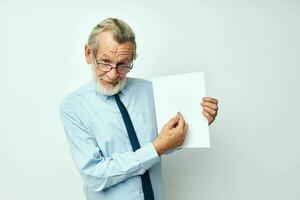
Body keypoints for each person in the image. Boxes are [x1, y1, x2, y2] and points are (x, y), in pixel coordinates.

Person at [59, 18, 219, 200]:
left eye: (123, 64)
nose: (113, 74)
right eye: (105, 62)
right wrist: (155, 148)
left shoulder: (148, 90)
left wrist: (198, 121)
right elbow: (95, 175)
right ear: (89, 54)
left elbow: (167, 143)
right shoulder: (73, 107)